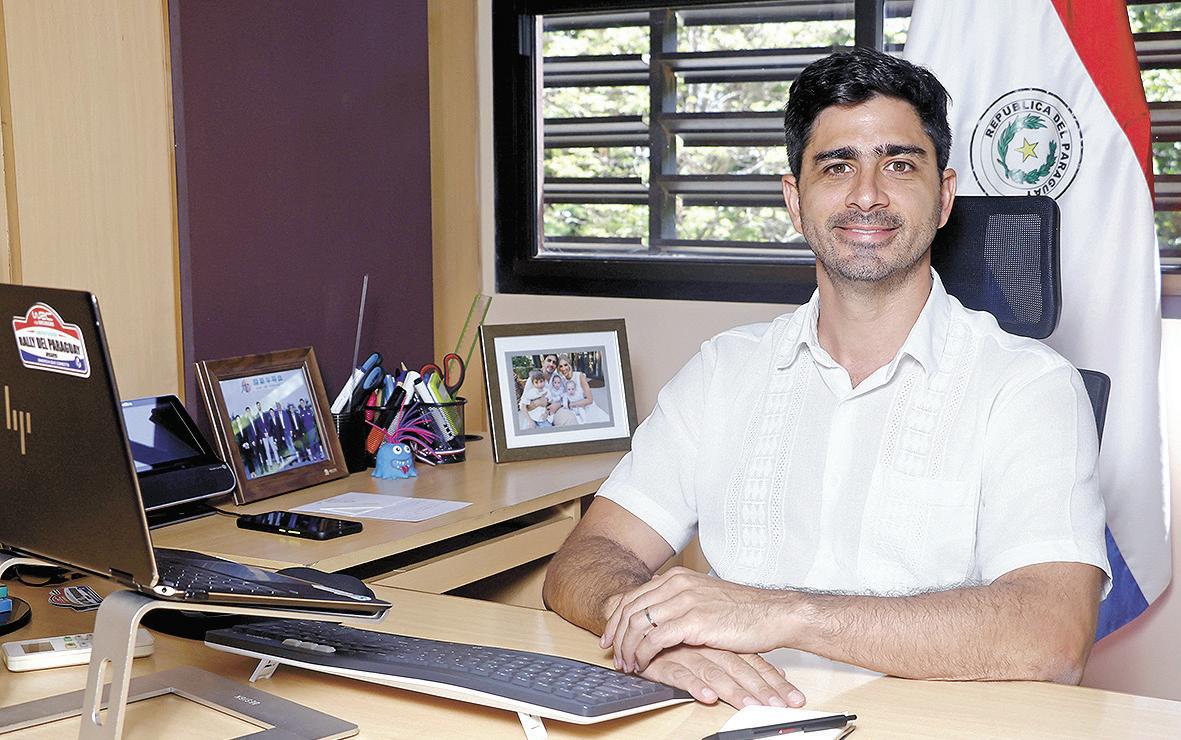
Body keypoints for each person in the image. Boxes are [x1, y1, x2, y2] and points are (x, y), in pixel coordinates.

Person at [542, 47, 1109, 712]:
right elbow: (586, 556)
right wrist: (651, 628)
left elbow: (1051, 635)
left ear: (944, 196)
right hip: (724, 719)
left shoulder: (1029, 386)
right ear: (794, 199)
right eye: (837, 166)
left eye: (899, 164)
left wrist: (783, 613)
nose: (866, 194)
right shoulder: (722, 371)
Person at [556, 353, 609, 424]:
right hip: (574, 411)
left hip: (587, 409)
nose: (563, 368)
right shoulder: (562, 380)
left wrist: (572, 404)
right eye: (561, 366)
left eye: (565, 365)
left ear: (569, 365)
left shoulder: (579, 376)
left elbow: (590, 400)